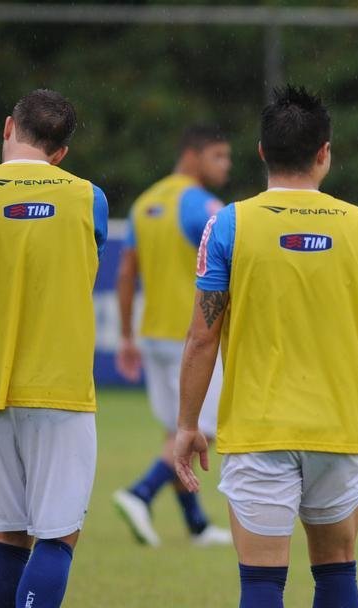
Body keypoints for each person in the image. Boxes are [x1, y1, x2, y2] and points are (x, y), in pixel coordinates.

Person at [174, 85, 358, 608]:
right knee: (338, 569)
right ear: (325, 154)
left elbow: (203, 336)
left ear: (262, 152)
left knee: (262, 579)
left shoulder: (230, 224)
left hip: (260, 432)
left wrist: (187, 422)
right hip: (337, 428)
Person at [0, 89, 109, 608]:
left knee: (7, 534)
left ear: (7, 127)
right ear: (62, 151)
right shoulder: (86, 196)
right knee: (57, 536)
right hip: (59, 384)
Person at [112, 125, 233, 547]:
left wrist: (126, 336)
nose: (226, 165)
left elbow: (127, 273)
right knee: (204, 428)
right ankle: (139, 492)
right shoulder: (203, 206)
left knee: (177, 430)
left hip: (153, 336)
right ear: (194, 155)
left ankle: (196, 525)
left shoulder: (145, 202)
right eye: (219, 155)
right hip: (193, 337)